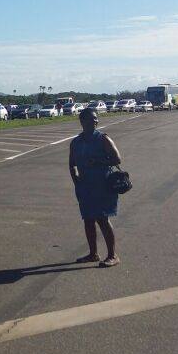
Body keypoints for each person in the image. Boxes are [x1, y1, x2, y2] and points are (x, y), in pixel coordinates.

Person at [69, 107, 123, 267]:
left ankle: (113, 255)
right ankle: (93, 254)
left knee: (102, 219)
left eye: (96, 119)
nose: (95, 121)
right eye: (91, 119)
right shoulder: (76, 142)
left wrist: (99, 162)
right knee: (88, 220)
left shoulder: (103, 139)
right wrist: (76, 182)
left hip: (102, 185)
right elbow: (72, 165)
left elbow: (117, 159)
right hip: (85, 187)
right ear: (82, 122)